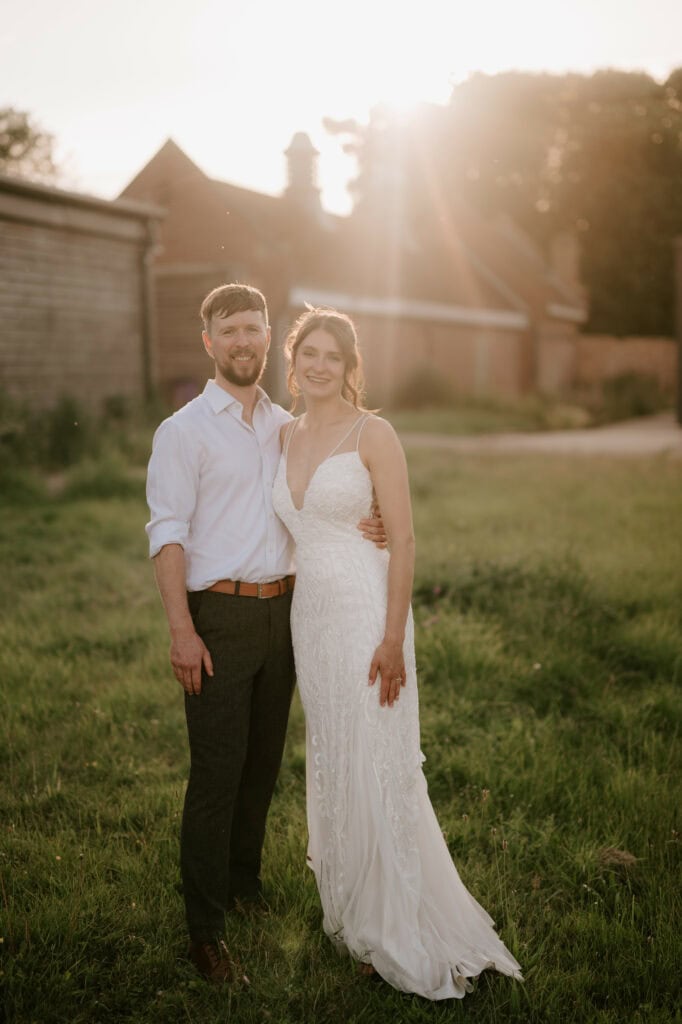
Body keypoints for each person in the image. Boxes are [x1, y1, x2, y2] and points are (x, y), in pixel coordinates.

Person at [271, 308, 523, 999]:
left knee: (377, 757)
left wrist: (391, 637)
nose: (319, 364)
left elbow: (404, 541)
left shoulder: (373, 433)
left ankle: (398, 920)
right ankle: (355, 904)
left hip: (365, 614)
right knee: (335, 755)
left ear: (349, 365)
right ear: (293, 361)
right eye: (309, 352)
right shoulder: (284, 434)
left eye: (332, 354)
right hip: (310, 618)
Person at [145, 284, 384, 986]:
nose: (244, 341)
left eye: (254, 328)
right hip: (217, 616)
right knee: (216, 777)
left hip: (288, 615)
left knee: (263, 766)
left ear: (266, 335)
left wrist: (365, 525)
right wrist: (181, 630)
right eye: (231, 330)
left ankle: (244, 887)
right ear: (210, 342)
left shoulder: (289, 425)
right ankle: (205, 934)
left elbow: (320, 501)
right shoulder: (182, 431)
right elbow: (167, 534)